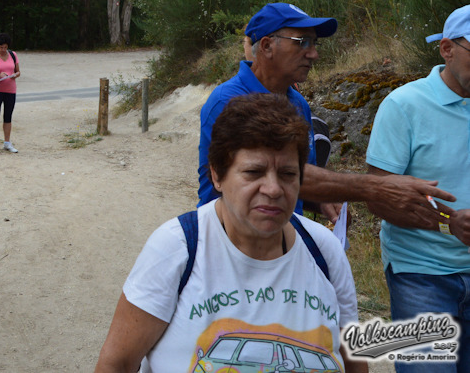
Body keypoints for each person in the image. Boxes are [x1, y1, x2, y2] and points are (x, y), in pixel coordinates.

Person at [95, 93, 367, 373]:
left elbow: (354, 363)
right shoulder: (178, 248)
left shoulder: (323, 250)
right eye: (253, 172)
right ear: (217, 175)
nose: (273, 189)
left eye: (287, 174)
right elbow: (118, 363)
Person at [198, 2, 453, 227]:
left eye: (315, 44)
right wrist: (379, 187)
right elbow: (265, 176)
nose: (314, 54)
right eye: (302, 42)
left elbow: (290, 180)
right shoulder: (228, 101)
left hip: (281, 244)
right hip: (230, 244)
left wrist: (319, 203)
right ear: (266, 46)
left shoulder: (297, 103)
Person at [365, 4, 470, 371]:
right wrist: (447, 222)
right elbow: (376, 195)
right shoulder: (404, 105)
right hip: (421, 272)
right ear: (447, 49)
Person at [0, 32, 20, 153]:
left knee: (8, 116)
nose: (3, 49)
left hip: (10, 90)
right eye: (1, 47)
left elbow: (18, 71)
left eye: (5, 47)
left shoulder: (13, 55)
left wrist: (15, 75)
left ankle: (7, 142)